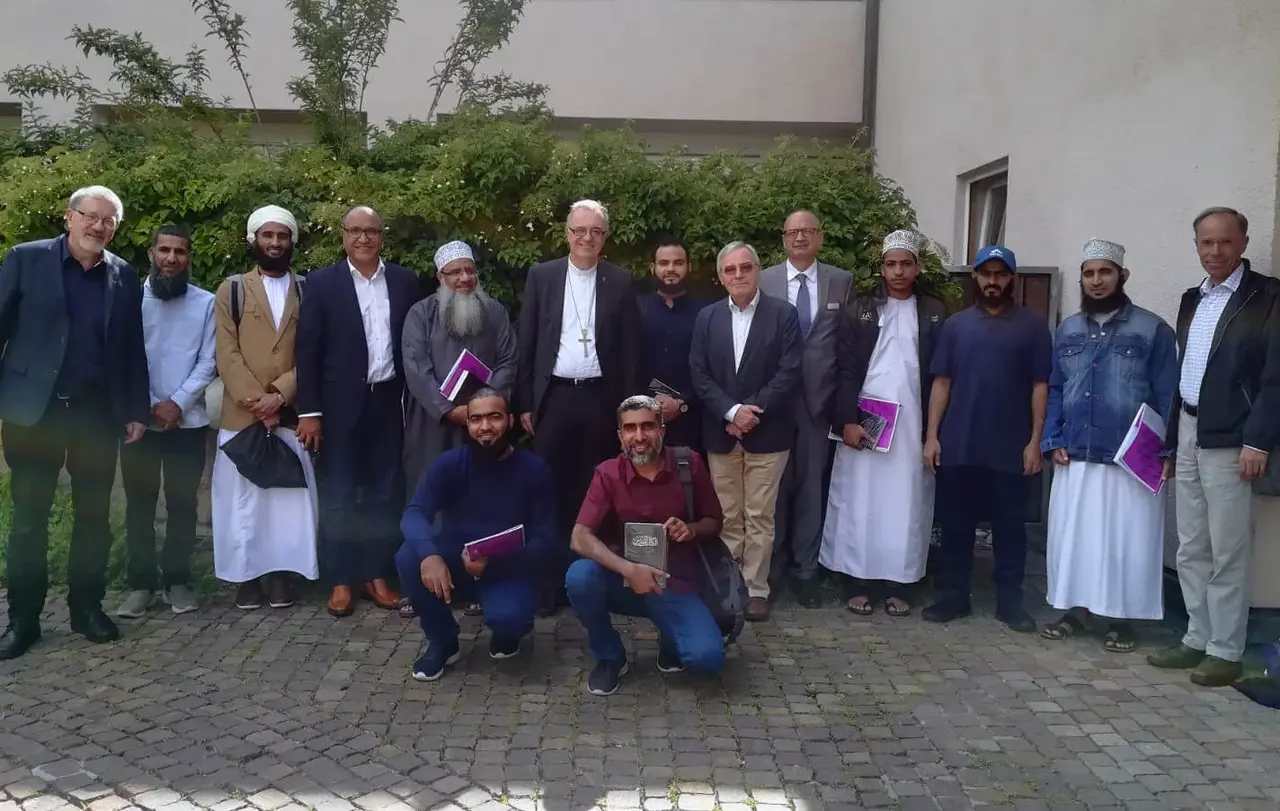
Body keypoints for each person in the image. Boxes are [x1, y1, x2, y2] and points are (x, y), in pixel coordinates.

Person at [0, 185, 149, 659]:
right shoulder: (25, 259)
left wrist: (135, 410)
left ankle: (87, 609)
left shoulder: (124, 275)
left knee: (94, 519)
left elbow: (131, 348)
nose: (98, 226)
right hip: (34, 413)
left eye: (108, 221)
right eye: (90, 216)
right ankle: (22, 620)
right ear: (69, 217)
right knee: (29, 521)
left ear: (115, 230)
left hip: (95, 416)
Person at [1148, 207, 1280, 687]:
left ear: (1242, 243)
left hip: (1233, 439)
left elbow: (1275, 377)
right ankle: (1196, 637)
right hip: (1189, 429)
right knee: (1191, 545)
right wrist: (1169, 442)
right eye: (1207, 243)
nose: (1216, 251)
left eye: (1225, 242)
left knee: (1228, 549)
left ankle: (1225, 650)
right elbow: (1185, 372)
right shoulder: (1193, 299)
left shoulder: (1268, 297)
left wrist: (1258, 441)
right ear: (1197, 246)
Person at [1039, 238, 1178, 652]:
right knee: (1077, 539)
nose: (1096, 281)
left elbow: (1168, 395)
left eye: (1105, 272)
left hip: (1130, 456)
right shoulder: (1067, 330)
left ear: (1122, 275)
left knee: (1126, 541)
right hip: (1076, 451)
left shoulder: (1152, 329)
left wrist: (1168, 450)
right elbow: (1056, 388)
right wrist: (1052, 437)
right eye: (1089, 273)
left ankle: (1123, 619)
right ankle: (1076, 612)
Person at [516, 199, 644, 615]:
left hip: (601, 399)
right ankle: (547, 585)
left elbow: (630, 351)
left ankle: (590, 583)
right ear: (567, 234)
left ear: (605, 238)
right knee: (547, 491)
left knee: (597, 492)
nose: (587, 237)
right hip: (554, 397)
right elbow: (528, 340)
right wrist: (526, 402)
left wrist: (629, 411)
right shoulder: (543, 275)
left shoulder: (620, 281)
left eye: (595, 231)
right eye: (580, 230)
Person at [296, 205, 422, 617]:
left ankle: (376, 575)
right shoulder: (322, 283)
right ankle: (340, 579)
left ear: (382, 236)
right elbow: (308, 351)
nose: (363, 238)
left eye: (371, 231)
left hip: (388, 401)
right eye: (355, 231)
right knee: (339, 494)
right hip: (339, 406)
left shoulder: (403, 281)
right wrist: (309, 412)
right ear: (343, 236)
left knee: (384, 492)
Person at [921, 244, 1052, 632]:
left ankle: (1010, 603)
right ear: (975, 277)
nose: (993, 281)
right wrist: (932, 437)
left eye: (1000, 274)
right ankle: (954, 598)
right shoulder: (955, 326)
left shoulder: (1033, 326)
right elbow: (941, 383)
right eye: (986, 274)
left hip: (1011, 447)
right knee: (955, 528)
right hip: (959, 444)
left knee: (1010, 531)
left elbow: (1040, 386)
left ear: (1012, 278)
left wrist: (1035, 441)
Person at [566, 395, 727, 696]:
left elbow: (715, 521)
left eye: (647, 427)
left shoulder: (689, 464)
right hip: (623, 582)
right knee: (580, 577)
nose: (639, 436)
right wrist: (629, 569)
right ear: (620, 436)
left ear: (662, 430)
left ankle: (671, 640)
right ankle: (609, 656)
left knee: (706, 660)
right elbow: (580, 537)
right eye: (630, 428)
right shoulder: (608, 473)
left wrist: (691, 529)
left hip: (674, 583)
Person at [822, 230, 946, 617]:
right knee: (861, 500)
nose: (898, 271)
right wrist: (847, 419)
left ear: (917, 267)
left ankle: (899, 582)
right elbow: (844, 368)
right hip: (866, 422)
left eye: (906, 264)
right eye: (891, 264)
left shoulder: (933, 311)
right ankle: (858, 581)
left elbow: (941, 375)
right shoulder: (859, 308)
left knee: (905, 502)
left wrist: (932, 433)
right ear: (882, 268)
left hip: (911, 424)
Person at [396, 388, 556, 680]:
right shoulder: (449, 464)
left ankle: (508, 631)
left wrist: (496, 564)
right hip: (455, 561)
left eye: (494, 417)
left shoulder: (534, 470)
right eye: (476, 419)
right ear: (467, 424)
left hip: (508, 566)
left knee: (510, 619)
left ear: (510, 421)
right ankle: (443, 641)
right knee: (409, 557)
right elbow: (414, 512)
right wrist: (429, 555)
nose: (485, 427)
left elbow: (546, 541)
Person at [211, 205, 319, 610]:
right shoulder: (232, 290)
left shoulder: (309, 290)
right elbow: (226, 353)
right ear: (253, 239)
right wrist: (258, 402)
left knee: (285, 503)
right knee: (243, 503)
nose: (275, 242)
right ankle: (246, 577)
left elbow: (315, 351)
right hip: (243, 416)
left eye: (282, 236)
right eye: (267, 235)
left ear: (292, 241)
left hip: (290, 414)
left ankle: (281, 576)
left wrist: (280, 395)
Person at [689, 241, 804, 622]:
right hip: (721, 431)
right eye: (730, 269)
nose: (738, 275)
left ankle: (755, 589)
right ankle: (728, 586)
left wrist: (751, 412)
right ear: (720, 276)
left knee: (759, 515)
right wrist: (731, 411)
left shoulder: (783, 315)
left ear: (757, 271)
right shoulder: (707, 317)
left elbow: (789, 371)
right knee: (726, 513)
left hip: (768, 432)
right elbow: (699, 374)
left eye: (745, 267)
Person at [116, 225, 218, 619]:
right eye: (164, 250)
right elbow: (121, 357)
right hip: (137, 422)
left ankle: (177, 581)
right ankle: (140, 585)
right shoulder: (127, 300)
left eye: (180, 252)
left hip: (186, 422)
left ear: (189, 257)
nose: (171, 258)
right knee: (139, 505)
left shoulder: (205, 303)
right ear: (151, 254)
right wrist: (144, 406)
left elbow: (208, 360)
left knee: (182, 504)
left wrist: (177, 403)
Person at [761, 210, 853, 605]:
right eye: (792, 232)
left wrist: (842, 404)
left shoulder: (841, 281)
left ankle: (805, 571)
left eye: (807, 231)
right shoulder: (763, 279)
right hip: (774, 402)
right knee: (773, 487)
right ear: (783, 238)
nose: (800, 238)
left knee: (812, 488)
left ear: (820, 237)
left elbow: (846, 345)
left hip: (819, 403)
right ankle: (772, 568)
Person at [402, 240, 517, 497]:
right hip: (434, 422)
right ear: (440, 277)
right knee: (433, 491)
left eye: (469, 270)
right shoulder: (420, 314)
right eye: (455, 272)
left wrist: (485, 409)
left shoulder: (495, 312)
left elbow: (507, 361)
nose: (465, 278)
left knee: (485, 490)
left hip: (487, 423)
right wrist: (449, 411)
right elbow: (417, 369)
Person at [639, 237, 710, 453]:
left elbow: (714, 367)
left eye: (678, 263)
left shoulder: (707, 313)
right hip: (643, 421)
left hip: (695, 423)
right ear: (653, 268)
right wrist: (650, 402)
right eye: (664, 263)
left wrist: (682, 403)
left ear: (689, 266)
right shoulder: (635, 310)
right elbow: (625, 363)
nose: (671, 269)